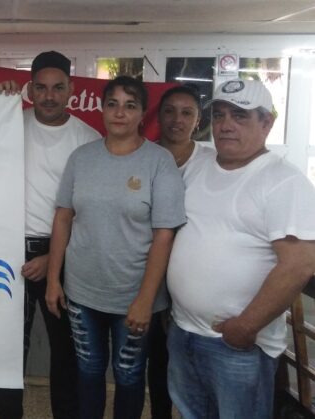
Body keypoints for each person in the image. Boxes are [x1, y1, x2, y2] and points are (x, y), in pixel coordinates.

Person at [166, 79, 315, 419]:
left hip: (235, 343)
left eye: (240, 115)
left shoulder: (284, 181)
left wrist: (247, 326)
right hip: (183, 331)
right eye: (219, 115)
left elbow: (299, 265)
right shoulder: (199, 165)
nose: (226, 124)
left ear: (267, 123)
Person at [46, 76, 186, 419]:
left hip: (134, 296)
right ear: (102, 109)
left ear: (142, 114)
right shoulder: (81, 158)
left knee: (128, 375)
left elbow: (164, 235)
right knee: (89, 371)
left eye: (130, 105)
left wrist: (146, 300)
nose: (120, 113)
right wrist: (53, 279)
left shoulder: (159, 162)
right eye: (112, 104)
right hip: (82, 293)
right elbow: (63, 217)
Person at [0, 51, 99, 419]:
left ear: (72, 89)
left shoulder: (88, 139)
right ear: (29, 89)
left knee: (65, 353)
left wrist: (52, 257)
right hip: (8, 250)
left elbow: (90, 212)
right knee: (8, 352)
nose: (49, 96)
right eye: (41, 88)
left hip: (62, 254)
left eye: (57, 88)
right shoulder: (9, 123)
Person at [148, 84, 214, 419]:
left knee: (195, 368)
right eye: (170, 111)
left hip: (194, 280)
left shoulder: (212, 160)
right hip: (149, 275)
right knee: (157, 359)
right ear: (158, 117)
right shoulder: (144, 156)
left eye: (187, 113)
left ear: (198, 120)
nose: (178, 119)